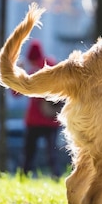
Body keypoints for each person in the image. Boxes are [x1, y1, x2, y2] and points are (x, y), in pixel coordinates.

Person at [21, 39, 62, 177]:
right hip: (52, 119)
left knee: (29, 153)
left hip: (34, 120)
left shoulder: (32, 72)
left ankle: (24, 177)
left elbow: (15, 93)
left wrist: (20, 71)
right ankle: (56, 176)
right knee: (52, 153)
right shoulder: (52, 66)